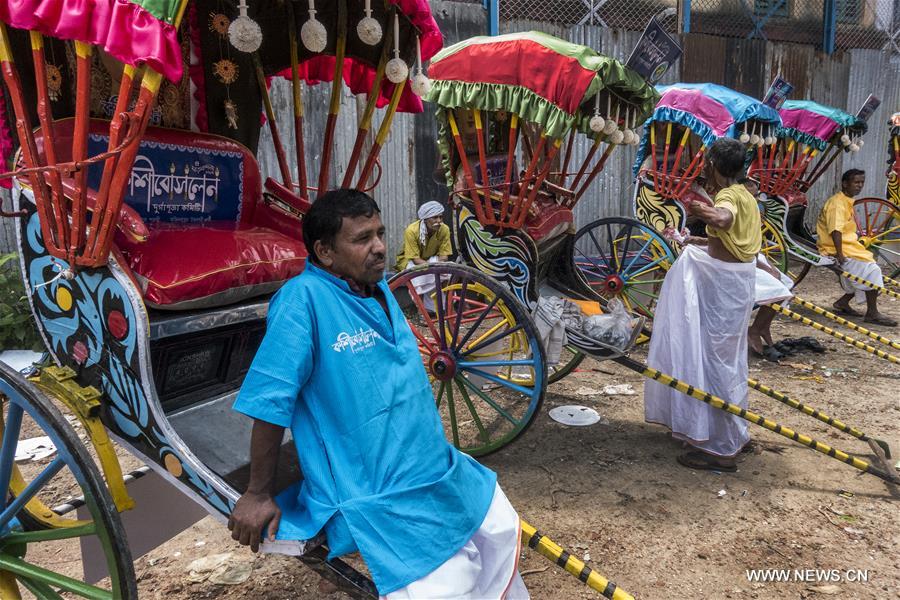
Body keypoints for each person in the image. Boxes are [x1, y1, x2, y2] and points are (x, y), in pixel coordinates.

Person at [229, 189, 528, 599]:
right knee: (447, 582)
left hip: (432, 467)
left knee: (496, 529)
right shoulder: (303, 301)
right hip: (376, 491)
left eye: (381, 233)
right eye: (362, 239)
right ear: (325, 252)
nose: (380, 248)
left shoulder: (376, 286)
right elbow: (270, 401)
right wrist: (257, 492)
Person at [645, 138, 761, 472]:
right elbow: (729, 235)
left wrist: (697, 207)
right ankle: (733, 432)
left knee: (717, 362)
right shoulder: (746, 196)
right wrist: (691, 239)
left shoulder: (727, 196)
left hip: (726, 290)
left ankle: (722, 449)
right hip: (737, 282)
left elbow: (723, 220)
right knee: (729, 362)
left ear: (714, 166)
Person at [816, 169, 897, 327]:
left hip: (849, 244)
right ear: (845, 184)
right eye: (856, 182)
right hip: (835, 247)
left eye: (861, 183)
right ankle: (872, 313)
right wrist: (839, 255)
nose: (859, 186)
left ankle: (842, 303)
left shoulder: (845, 200)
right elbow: (835, 231)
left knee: (865, 266)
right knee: (872, 270)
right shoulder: (837, 204)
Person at [395, 200, 452, 312]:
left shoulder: (444, 229)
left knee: (448, 271)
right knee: (417, 275)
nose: (439, 221)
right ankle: (421, 312)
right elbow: (415, 260)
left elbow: (444, 257)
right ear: (425, 219)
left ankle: (450, 309)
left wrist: (435, 266)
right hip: (410, 261)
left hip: (432, 259)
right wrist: (433, 267)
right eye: (435, 218)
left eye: (440, 217)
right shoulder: (411, 231)